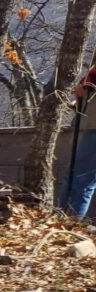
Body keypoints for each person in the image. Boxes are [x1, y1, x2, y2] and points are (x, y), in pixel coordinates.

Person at [65, 63, 96, 219]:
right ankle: (63, 221)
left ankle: (70, 225)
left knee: (81, 180)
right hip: (90, 126)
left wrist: (86, 89)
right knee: (76, 178)